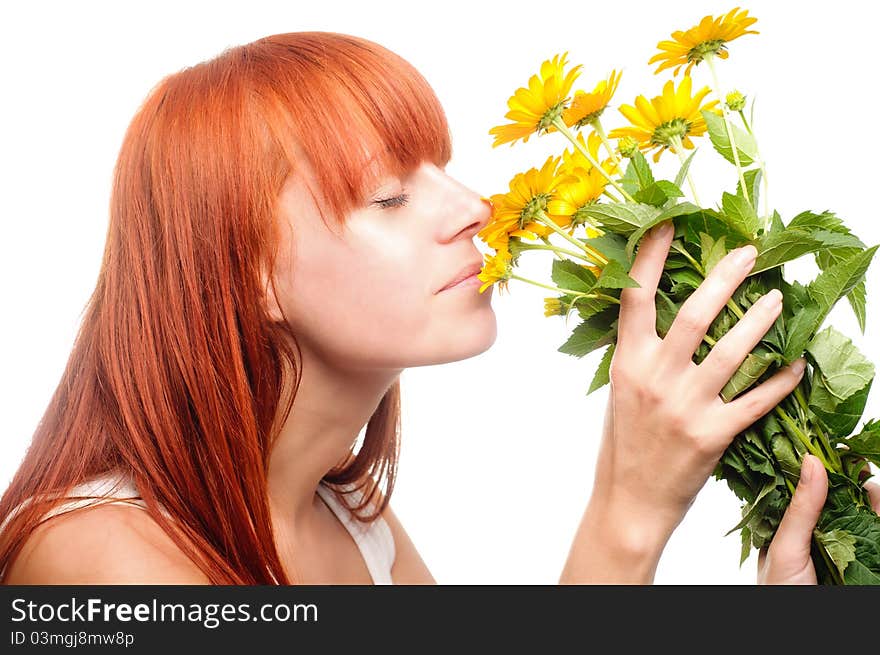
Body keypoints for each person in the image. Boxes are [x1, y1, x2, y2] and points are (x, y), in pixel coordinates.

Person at [1, 32, 876, 586]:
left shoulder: (352, 519)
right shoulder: (103, 565)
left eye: (444, 169)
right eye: (388, 197)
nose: (477, 207)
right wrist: (631, 505)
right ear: (249, 272)